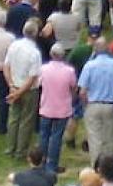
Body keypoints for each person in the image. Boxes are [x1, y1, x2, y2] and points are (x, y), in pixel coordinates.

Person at [80, 38, 113, 163]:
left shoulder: (89, 66)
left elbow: (82, 91)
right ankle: (110, 166)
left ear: (95, 50)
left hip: (93, 104)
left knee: (94, 138)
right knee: (111, 138)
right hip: (112, 104)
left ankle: (96, 166)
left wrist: (86, 105)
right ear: (108, 49)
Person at [37, 43, 79, 174]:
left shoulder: (43, 69)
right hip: (62, 108)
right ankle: (52, 165)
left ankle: (41, 162)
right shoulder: (69, 71)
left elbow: (38, 84)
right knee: (56, 137)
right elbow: (74, 87)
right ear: (63, 55)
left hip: (46, 106)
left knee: (44, 135)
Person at [6, 25, 46, 158]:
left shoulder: (14, 46)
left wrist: (11, 86)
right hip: (29, 90)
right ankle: (20, 151)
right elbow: (32, 76)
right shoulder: (34, 52)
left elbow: (6, 66)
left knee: (14, 118)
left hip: (15, 86)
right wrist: (19, 92)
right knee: (26, 120)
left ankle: (10, 147)